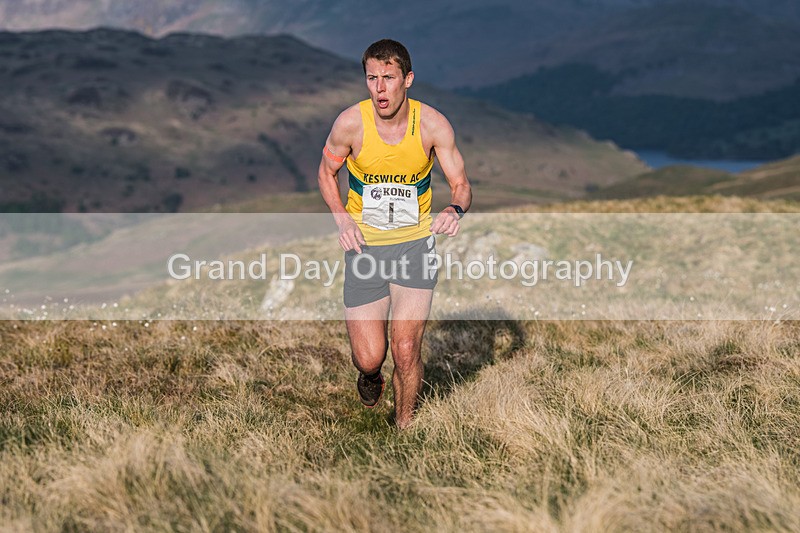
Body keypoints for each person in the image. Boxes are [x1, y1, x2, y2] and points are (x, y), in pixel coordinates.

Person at [318, 39, 471, 429]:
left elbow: (461, 185)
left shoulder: (432, 125)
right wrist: (342, 219)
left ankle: (405, 430)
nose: (380, 88)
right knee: (369, 356)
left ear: (408, 79)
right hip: (365, 250)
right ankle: (371, 374)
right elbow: (326, 173)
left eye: (388, 77)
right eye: (372, 78)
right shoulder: (350, 124)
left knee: (405, 349)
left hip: (414, 247)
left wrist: (454, 209)